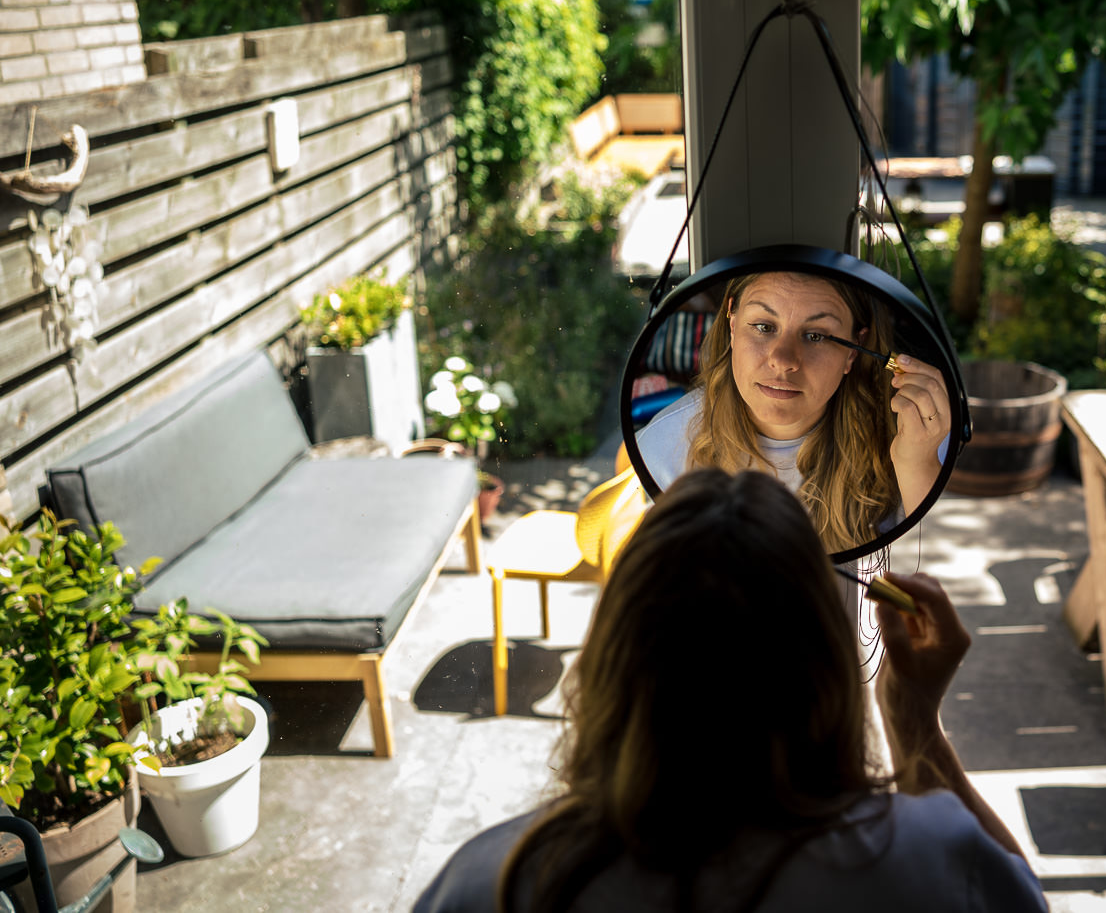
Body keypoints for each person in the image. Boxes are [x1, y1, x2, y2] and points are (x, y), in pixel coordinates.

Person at [414, 468, 1046, 913]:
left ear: (611, 662)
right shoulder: (926, 861)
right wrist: (915, 724)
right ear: (822, 662)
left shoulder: (495, 881)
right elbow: (1020, 897)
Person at [635, 270, 950, 552]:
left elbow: (928, 570)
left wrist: (916, 462)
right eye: (763, 326)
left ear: (853, 351)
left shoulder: (915, 433)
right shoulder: (663, 447)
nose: (783, 359)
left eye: (816, 336)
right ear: (732, 324)